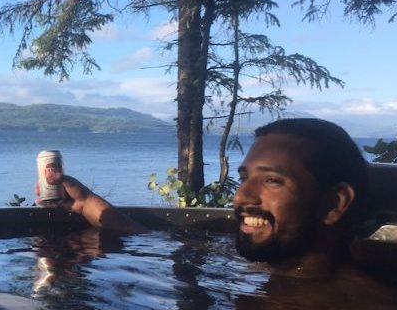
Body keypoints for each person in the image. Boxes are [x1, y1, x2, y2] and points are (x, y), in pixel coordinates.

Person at [51, 118, 369, 277]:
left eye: (272, 180)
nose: (242, 195)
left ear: (334, 204)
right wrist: (85, 201)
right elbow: (148, 239)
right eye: (245, 178)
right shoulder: (249, 264)